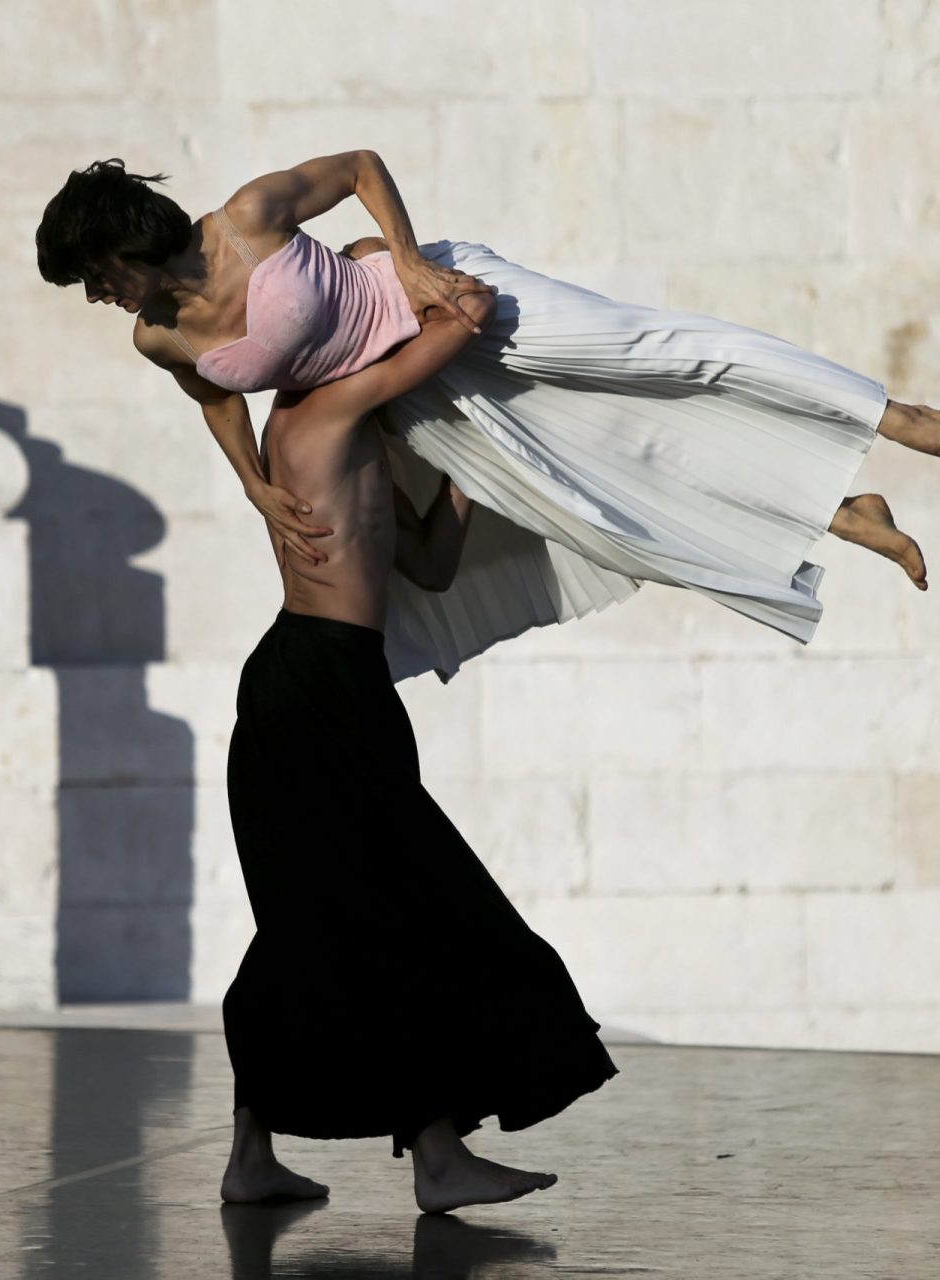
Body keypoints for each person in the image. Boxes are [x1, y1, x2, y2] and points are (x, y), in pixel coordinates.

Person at [36, 152, 940, 680]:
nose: (102, 296)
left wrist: (409, 263)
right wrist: (252, 484)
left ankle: (891, 411)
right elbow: (215, 395)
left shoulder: (248, 216)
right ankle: (839, 512)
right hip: (421, 392)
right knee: (604, 502)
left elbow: (363, 168)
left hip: (452, 300)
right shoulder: (159, 336)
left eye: (97, 276)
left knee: (652, 354)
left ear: (124, 240)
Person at [215, 271, 620, 1215]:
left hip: (335, 685)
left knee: (316, 920)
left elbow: (431, 566)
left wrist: (474, 469)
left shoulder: (353, 438)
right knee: (405, 906)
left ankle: (255, 1158)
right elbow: (464, 320)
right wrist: (423, 285)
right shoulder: (319, 413)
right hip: (309, 686)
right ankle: (436, 1157)